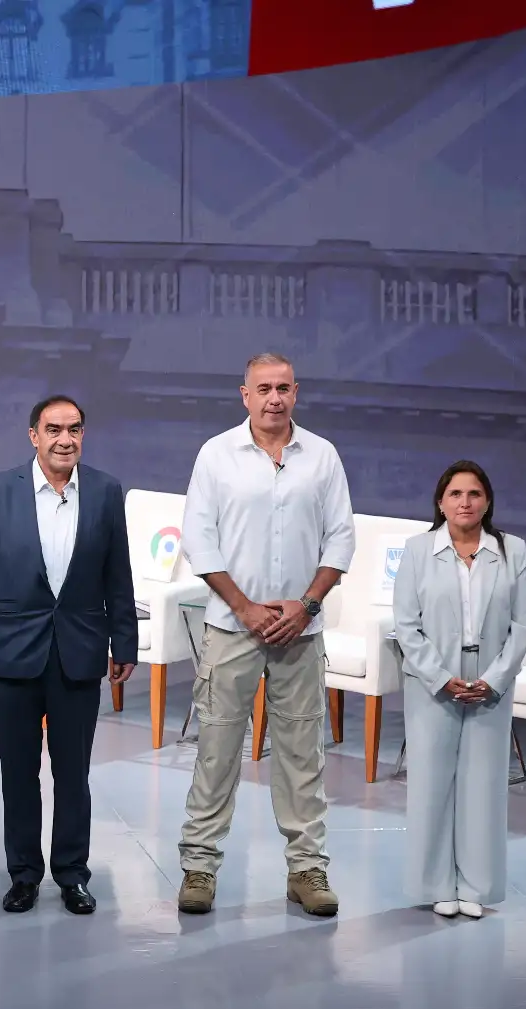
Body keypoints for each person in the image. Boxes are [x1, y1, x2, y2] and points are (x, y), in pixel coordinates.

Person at [176, 354, 355, 916]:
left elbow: (341, 541)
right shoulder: (216, 455)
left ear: (296, 393)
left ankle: (307, 870)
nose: (274, 398)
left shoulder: (322, 456)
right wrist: (246, 608)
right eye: (263, 389)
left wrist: (305, 606)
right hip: (232, 628)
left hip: (302, 631)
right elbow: (199, 542)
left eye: (283, 388)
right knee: (216, 751)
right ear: (244, 395)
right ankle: (199, 868)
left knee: (303, 754)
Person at [0, 397, 137, 916]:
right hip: (11, 652)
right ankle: (24, 875)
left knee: (73, 772)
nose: (65, 439)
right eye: (53, 429)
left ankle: (72, 874)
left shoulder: (104, 491)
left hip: (78, 651)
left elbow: (117, 573)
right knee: (18, 772)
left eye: (74, 429)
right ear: (32, 435)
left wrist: (123, 641)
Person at [393, 461, 526, 919]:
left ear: (487, 501)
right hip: (434, 678)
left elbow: (524, 622)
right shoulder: (417, 551)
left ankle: (475, 885)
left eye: (474, 494)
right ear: (440, 502)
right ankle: (436, 884)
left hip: (490, 677)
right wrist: (439, 676)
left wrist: (494, 678)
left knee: (483, 784)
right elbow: (406, 625)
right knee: (432, 782)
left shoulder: (512, 551)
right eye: (455, 494)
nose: (465, 502)